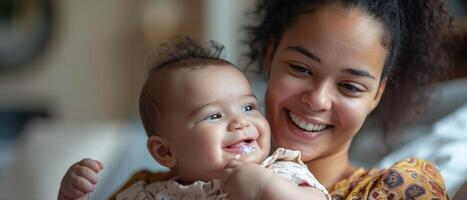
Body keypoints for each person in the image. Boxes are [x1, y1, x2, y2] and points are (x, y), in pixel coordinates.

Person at [103, 0, 453, 199]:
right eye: (301, 68)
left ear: (377, 95)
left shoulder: (400, 190)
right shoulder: (152, 188)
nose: (317, 100)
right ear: (270, 57)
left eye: (349, 86)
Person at [57, 37, 331, 200]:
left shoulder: (279, 172)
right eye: (214, 115)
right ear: (164, 151)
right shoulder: (150, 193)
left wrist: (264, 189)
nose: (240, 122)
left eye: (248, 108)